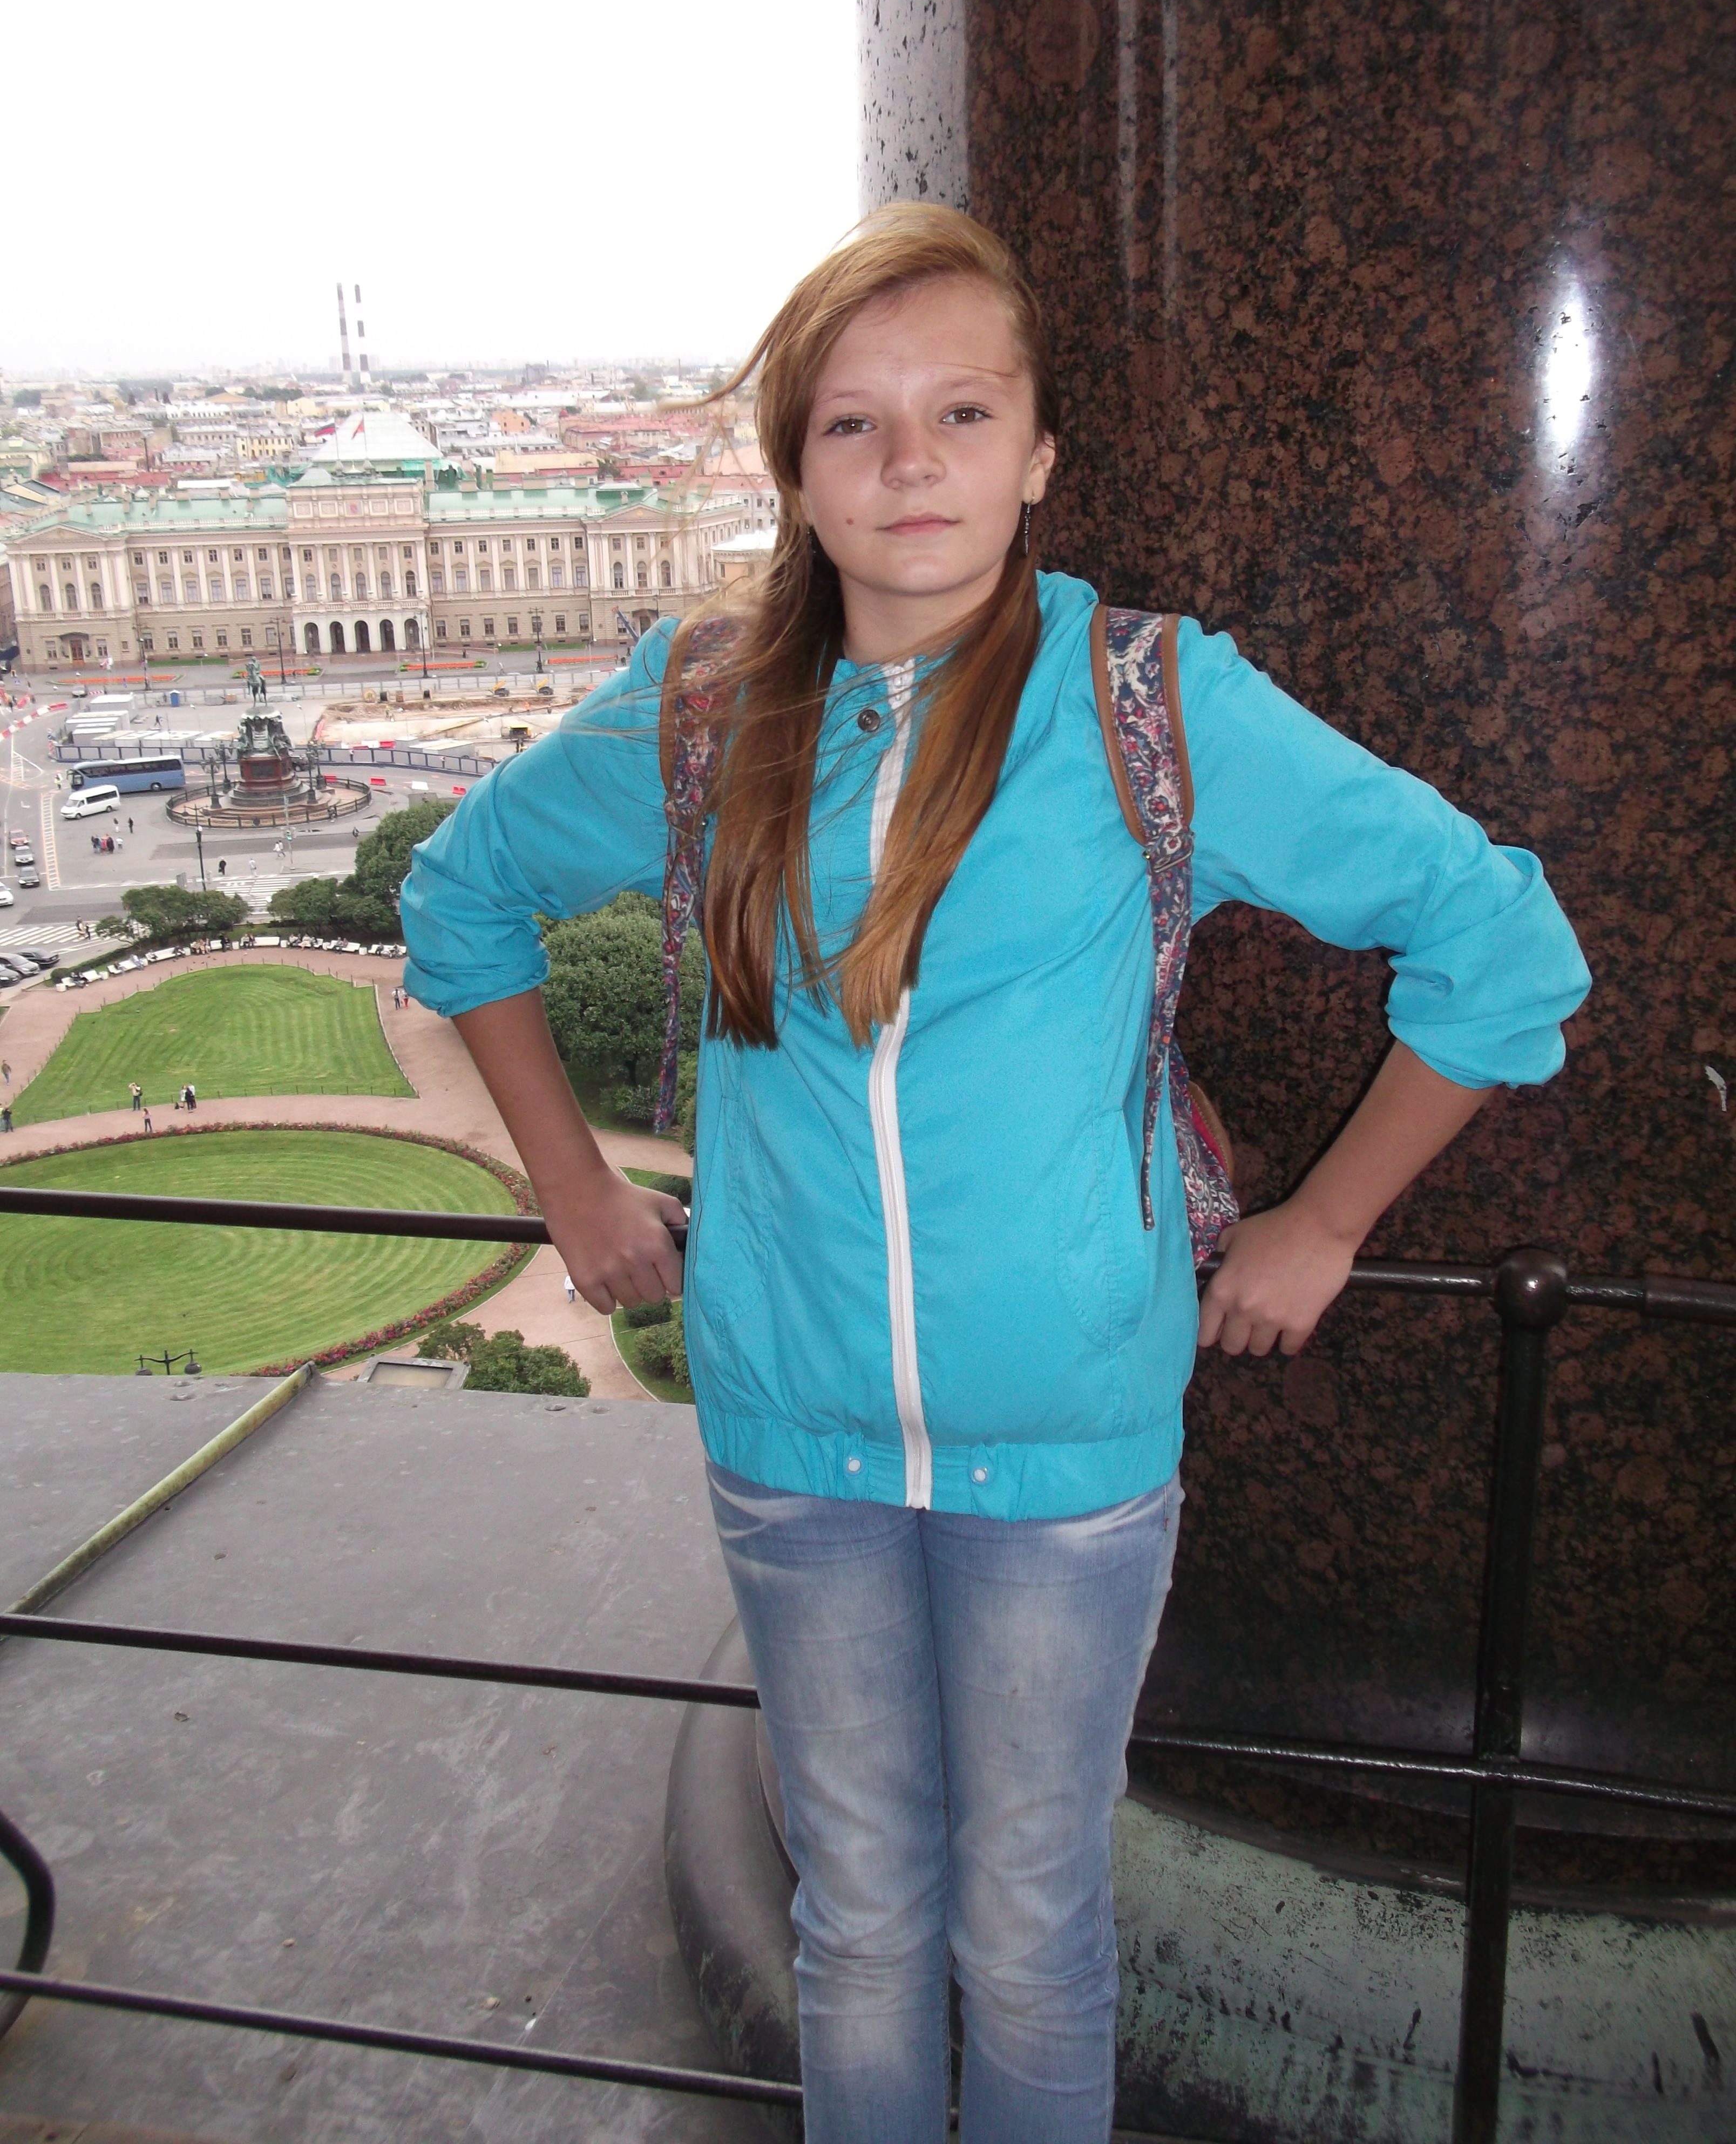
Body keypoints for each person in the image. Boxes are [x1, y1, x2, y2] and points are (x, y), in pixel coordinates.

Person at [399, 204, 1590, 2144]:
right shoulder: (707, 711)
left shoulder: (1149, 705)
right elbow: (464, 900)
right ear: (797, 473)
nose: (910, 463)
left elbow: (1504, 946)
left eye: (961, 412)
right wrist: (571, 1187)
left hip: (1066, 1450)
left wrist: (1329, 1221)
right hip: (794, 1431)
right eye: (852, 424)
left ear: (1038, 455)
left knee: (1031, 1931)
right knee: (860, 1920)